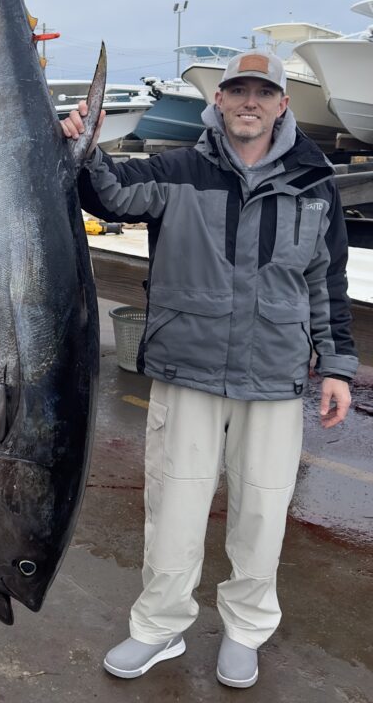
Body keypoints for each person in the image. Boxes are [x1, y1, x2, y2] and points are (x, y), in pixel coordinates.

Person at [62, 49, 356, 689]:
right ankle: (159, 627)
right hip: (186, 368)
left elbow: (326, 280)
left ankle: (246, 630)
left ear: (282, 104)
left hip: (274, 374)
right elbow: (110, 195)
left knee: (262, 510)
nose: (250, 102)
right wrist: (84, 148)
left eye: (263, 92)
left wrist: (335, 366)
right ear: (218, 101)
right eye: (237, 91)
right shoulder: (180, 168)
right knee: (173, 506)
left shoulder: (313, 179)